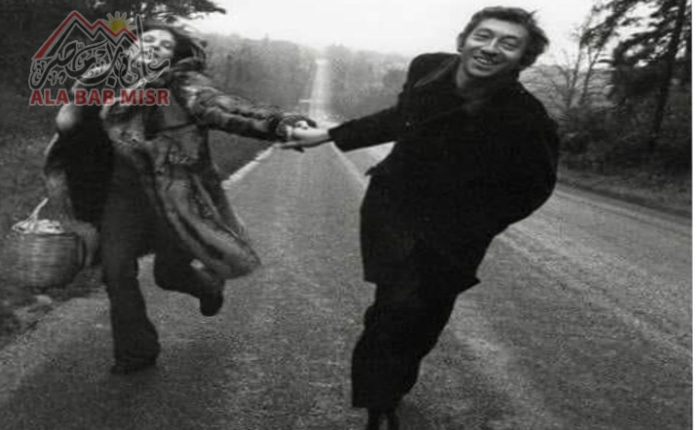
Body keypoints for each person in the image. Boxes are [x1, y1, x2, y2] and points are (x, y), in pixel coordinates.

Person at [282, 7, 559, 430]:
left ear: (524, 58)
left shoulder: (526, 117)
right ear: (464, 40)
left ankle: (391, 387)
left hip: (455, 232)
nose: (490, 48)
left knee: (425, 318)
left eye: (508, 44)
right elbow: (401, 118)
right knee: (396, 304)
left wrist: (476, 225)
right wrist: (330, 135)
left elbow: (534, 187)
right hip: (393, 205)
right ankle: (379, 404)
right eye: (483, 36)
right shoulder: (429, 69)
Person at [44, 20, 313, 375]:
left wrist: (280, 124)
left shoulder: (182, 85)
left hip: (177, 196)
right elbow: (73, 131)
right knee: (116, 270)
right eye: (148, 39)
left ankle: (208, 289)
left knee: (168, 274)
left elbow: (221, 107)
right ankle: (137, 351)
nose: (155, 46)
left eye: (166, 45)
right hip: (123, 197)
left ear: (174, 58)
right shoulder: (104, 83)